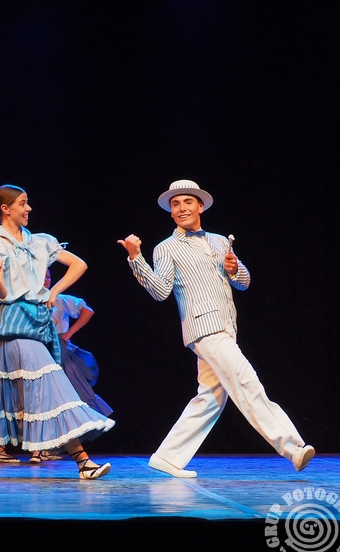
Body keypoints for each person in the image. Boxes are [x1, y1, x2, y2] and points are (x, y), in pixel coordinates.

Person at [117, 179, 315, 478]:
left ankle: (167, 457)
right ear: (171, 212)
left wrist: (236, 269)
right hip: (203, 327)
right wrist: (136, 258)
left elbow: (243, 283)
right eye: (175, 204)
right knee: (246, 382)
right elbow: (160, 291)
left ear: (200, 206)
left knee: (210, 397)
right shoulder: (166, 248)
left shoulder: (221, 241)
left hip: (225, 326)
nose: (181, 208)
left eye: (187, 202)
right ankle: (292, 447)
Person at [0, 184, 114, 479]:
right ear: (6, 209)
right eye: (23, 203)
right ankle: (83, 462)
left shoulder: (40, 241)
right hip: (11, 322)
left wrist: (55, 291)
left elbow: (79, 264)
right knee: (46, 387)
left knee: (3, 394)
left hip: (36, 322)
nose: (28, 208)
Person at [30, 269, 114, 462]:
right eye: (41, 276)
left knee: (62, 397)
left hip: (58, 349)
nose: (45, 280)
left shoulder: (60, 299)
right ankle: (39, 448)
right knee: (39, 396)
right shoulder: (30, 300)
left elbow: (87, 311)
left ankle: (52, 447)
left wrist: (68, 334)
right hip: (37, 348)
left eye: (48, 276)